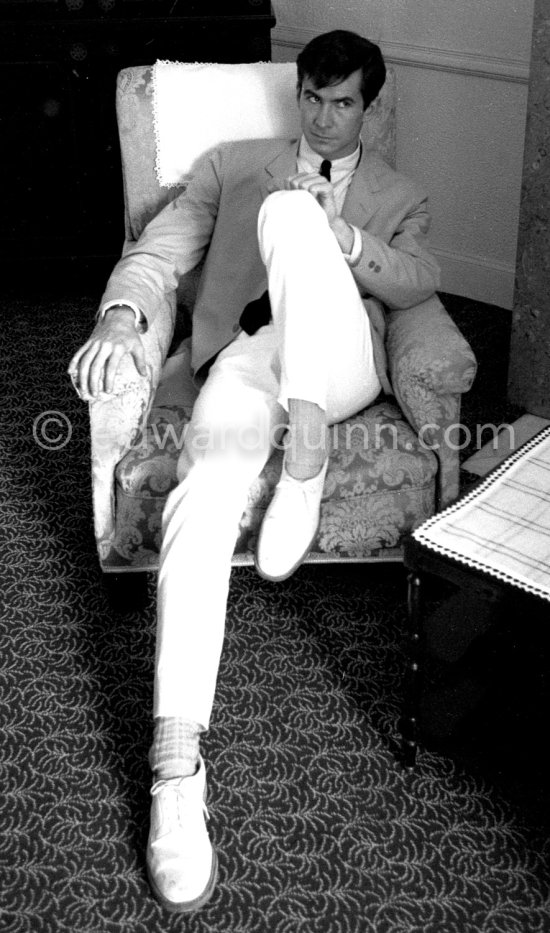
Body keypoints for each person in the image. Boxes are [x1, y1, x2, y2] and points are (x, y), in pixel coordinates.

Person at [69, 29, 441, 913]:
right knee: (202, 490)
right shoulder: (237, 163)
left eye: (342, 101)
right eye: (311, 97)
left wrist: (342, 239)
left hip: (343, 368)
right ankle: (175, 762)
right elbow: (160, 250)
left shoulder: (398, 195)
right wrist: (124, 314)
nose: (322, 116)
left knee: (296, 218)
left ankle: (308, 441)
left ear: (369, 104)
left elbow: (422, 279)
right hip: (244, 361)